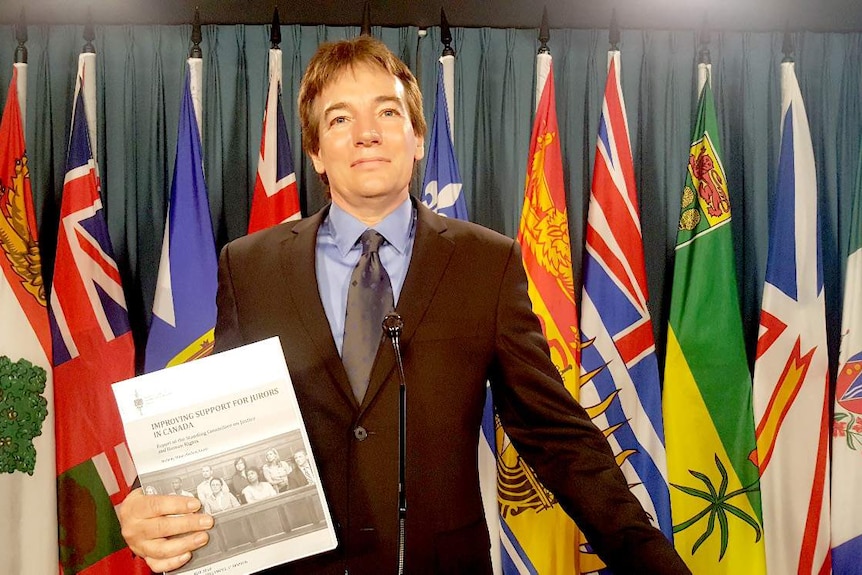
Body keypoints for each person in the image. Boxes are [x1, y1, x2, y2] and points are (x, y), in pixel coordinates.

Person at [117, 36, 690, 575]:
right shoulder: (250, 266)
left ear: (418, 138)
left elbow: (558, 438)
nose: (366, 133)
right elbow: (215, 419)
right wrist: (147, 500)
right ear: (316, 152)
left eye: (387, 113)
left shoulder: (485, 263)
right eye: (340, 119)